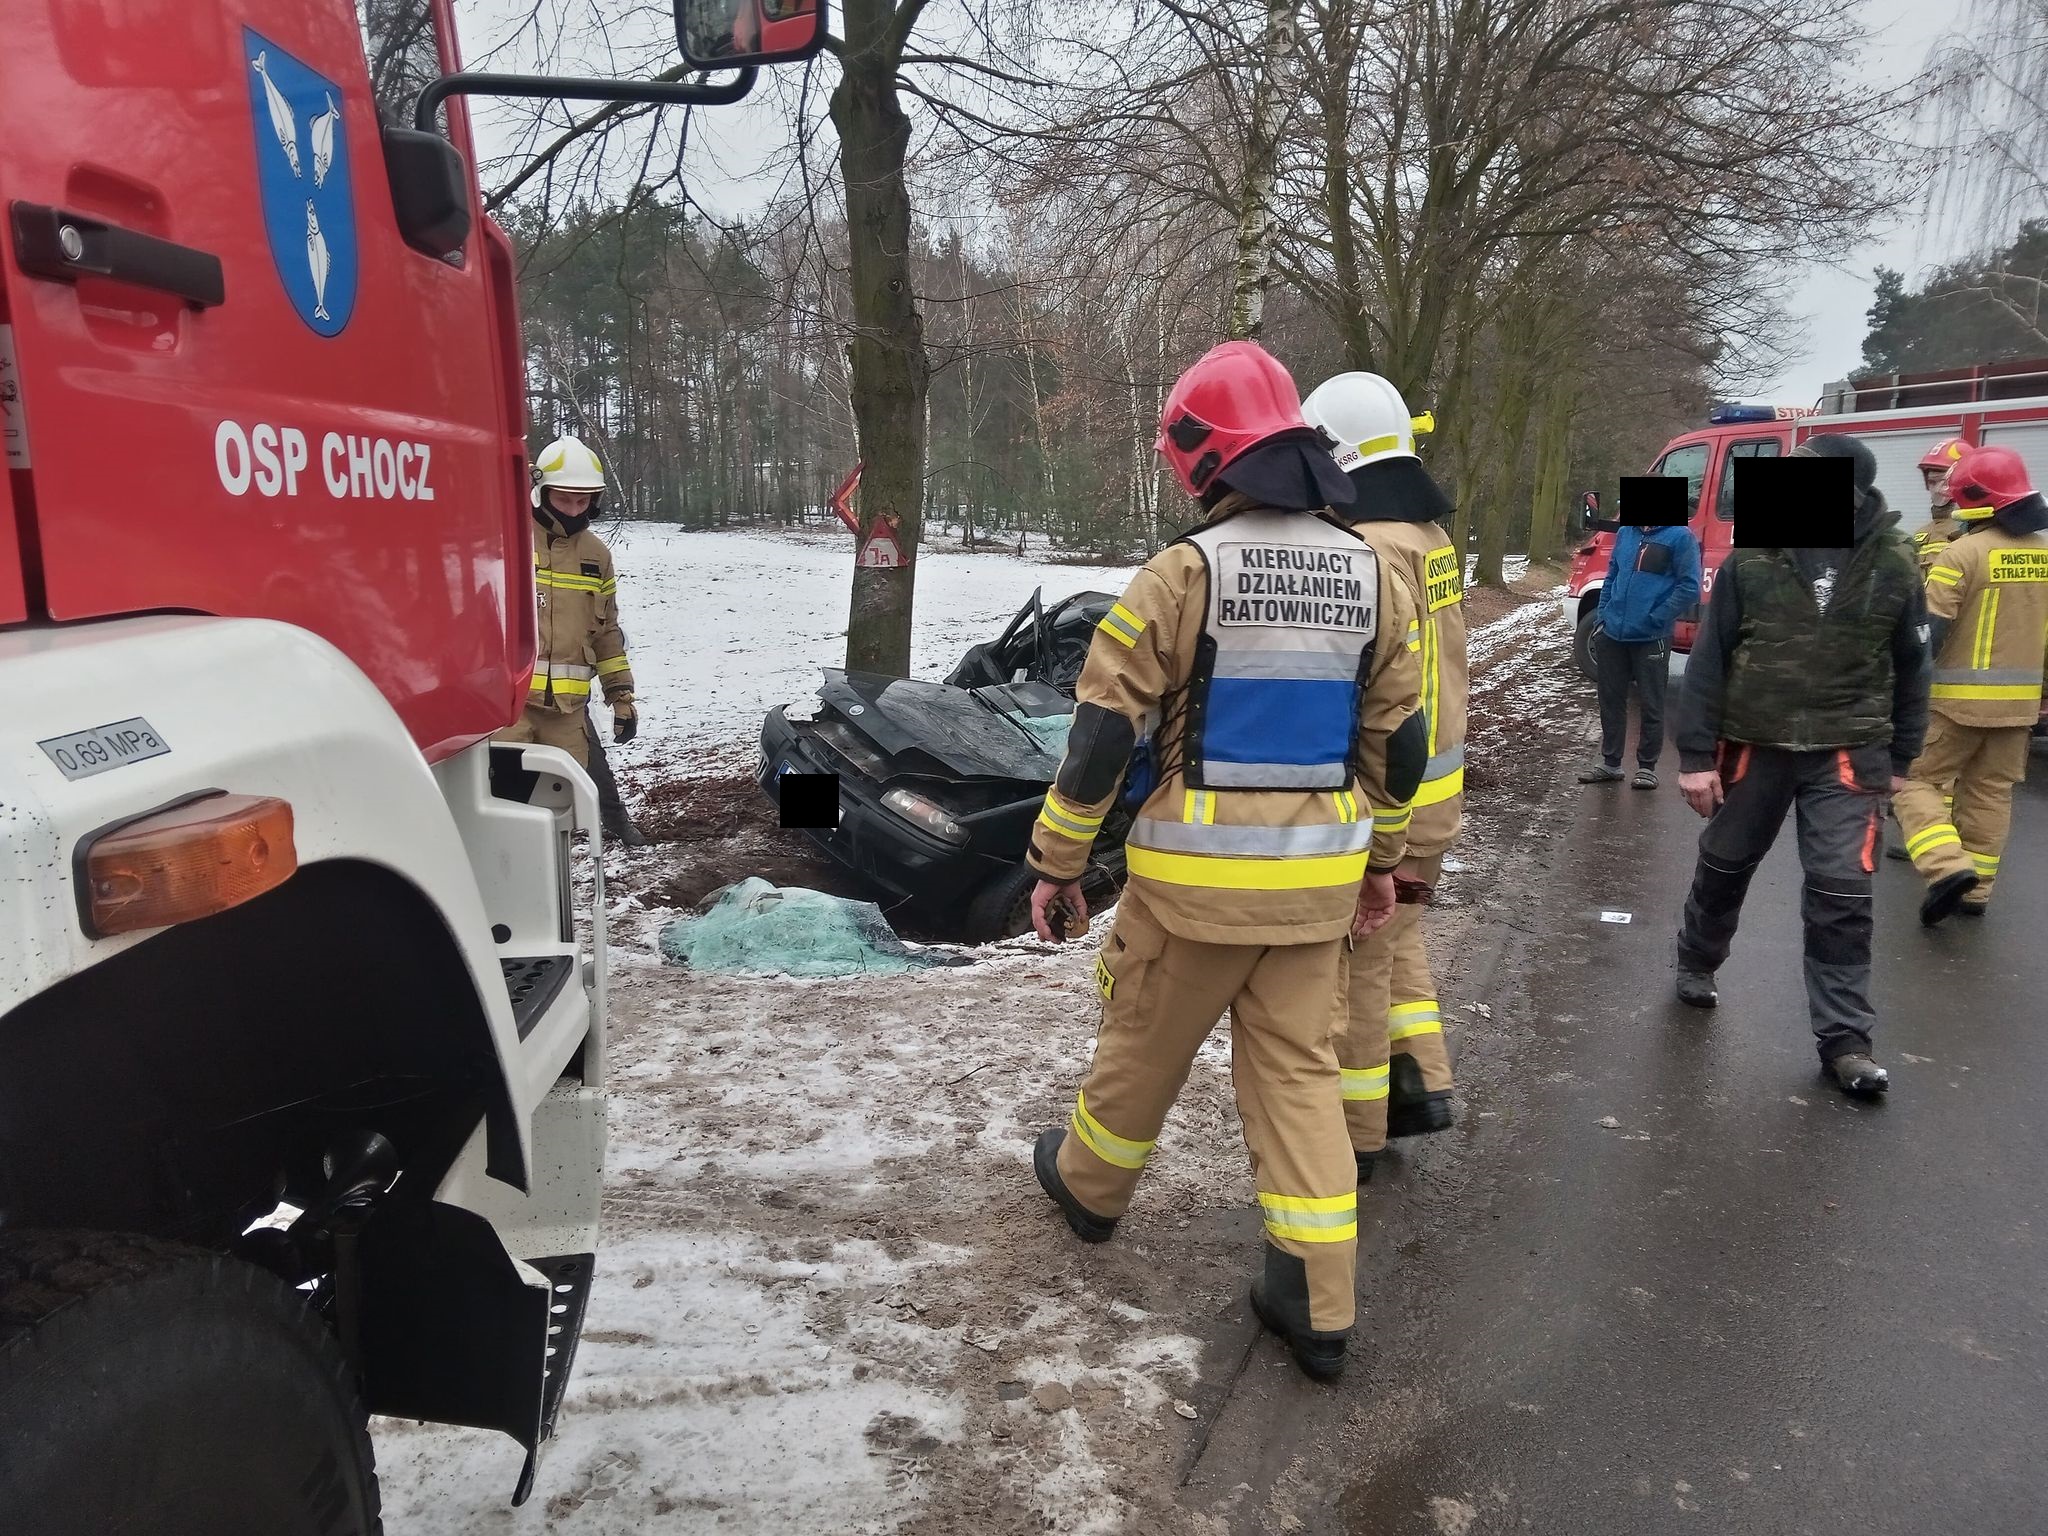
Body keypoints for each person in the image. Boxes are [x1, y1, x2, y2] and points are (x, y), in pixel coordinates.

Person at [1025, 341, 1426, 1381]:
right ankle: (1316, 1298)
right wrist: (1381, 859)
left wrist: (1058, 862)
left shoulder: (1179, 575)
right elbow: (1400, 741)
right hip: (1313, 891)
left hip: (1191, 892)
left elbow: (1102, 738)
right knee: (1297, 1081)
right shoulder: (1375, 574)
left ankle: (1087, 1189)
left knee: (1142, 1048)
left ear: (1207, 457)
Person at [1668, 434, 1928, 1099]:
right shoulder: (1752, 560)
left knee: (1843, 893)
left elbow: (1912, 669)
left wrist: (1902, 757)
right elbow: (1708, 663)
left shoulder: (1897, 566)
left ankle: (1845, 1041)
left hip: (1848, 752)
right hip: (1755, 743)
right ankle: (1697, 960)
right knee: (1724, 864)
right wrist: (1696, 758)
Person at [1301, 372, 1466, 1175]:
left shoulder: (1366, 549)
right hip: (1436, 795)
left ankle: (1356, 1136)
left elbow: (1369, 693)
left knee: (1357, 970)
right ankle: (1420, 1088)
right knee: (1399, 943)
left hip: (1390, 801)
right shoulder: (1427, 538)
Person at [1892, 444, 2048, 922]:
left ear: (1978, 500)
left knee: (1913, 781)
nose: (1953, 505)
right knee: (1990, 794)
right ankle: (1976, 892)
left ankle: (1945, 868)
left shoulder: (1961, 554)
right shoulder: (2044, 554)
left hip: (1953, 703)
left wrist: (1897, 690)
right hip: (2019, 709)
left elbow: (1927, 638)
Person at [495, 435, 641, 774]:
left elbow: (606, 633)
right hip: (507, 711)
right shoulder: (506, 539)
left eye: (583, 501)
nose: (575, 510)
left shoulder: (596, 555)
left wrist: (621, 697)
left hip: (567, 716)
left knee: (568, 812)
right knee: (507, 808)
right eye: (565, 500)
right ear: (541, 492)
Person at [1885, 436, 1971, 862]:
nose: (1936, 487)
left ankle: (1936, 837)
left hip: (1951, 658)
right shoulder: (1923, 533)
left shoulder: (1968, 534)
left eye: (1943, 479)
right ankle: (1933, 830)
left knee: (1935, 759)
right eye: (1932, 479)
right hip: (1927, 655)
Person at [1578, 495, 1701, 790]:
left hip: (1651, 636)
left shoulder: (1680, 537)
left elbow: (1689, 586)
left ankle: (1647, 767)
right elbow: (1613, 575)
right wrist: (1603, 615)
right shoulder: (1626, 533)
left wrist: (1657, 617)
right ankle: (1611, 763)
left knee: (1651, 702)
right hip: (1613, 634)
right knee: (1610, 699)